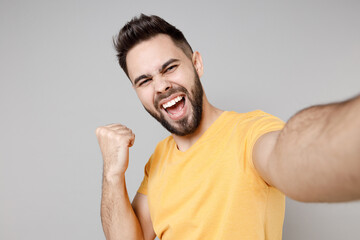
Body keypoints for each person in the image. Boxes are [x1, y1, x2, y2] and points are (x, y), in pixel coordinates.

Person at [95, 14, 360, 240]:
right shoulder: (159, 158)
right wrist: (112, 173)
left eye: (170, 68)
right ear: (136, 91)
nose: (161, 86)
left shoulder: (249, 132)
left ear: (196, 63)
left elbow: (290, 154)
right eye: (145, 81)